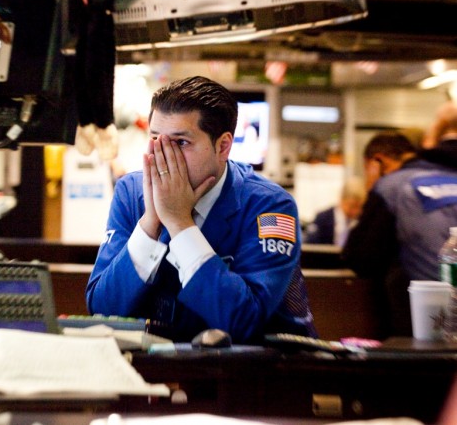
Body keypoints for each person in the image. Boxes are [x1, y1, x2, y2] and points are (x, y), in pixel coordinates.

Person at [85, 76, 317, 343]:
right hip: (161, 368)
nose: (163, 156)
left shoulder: (270, 206)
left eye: (181, 143)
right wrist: (151, 222)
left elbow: (244, 322)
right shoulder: (132, 193)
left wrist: (179, 224)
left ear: (223, 146)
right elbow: (102, 309)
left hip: (257, 374)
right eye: (155, 140)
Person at [343, 129, 457, 337]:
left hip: (434, 319)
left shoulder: (391, 186)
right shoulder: (452, 176)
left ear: (378, 162)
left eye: (366, 170)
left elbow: (361, 258)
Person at [305, 177, 366, 247]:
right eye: (353, 206)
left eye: (359, 207)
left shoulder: (361, 222)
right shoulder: (322, 219)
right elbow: (311, 246)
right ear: (342, 200)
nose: (356, 211)